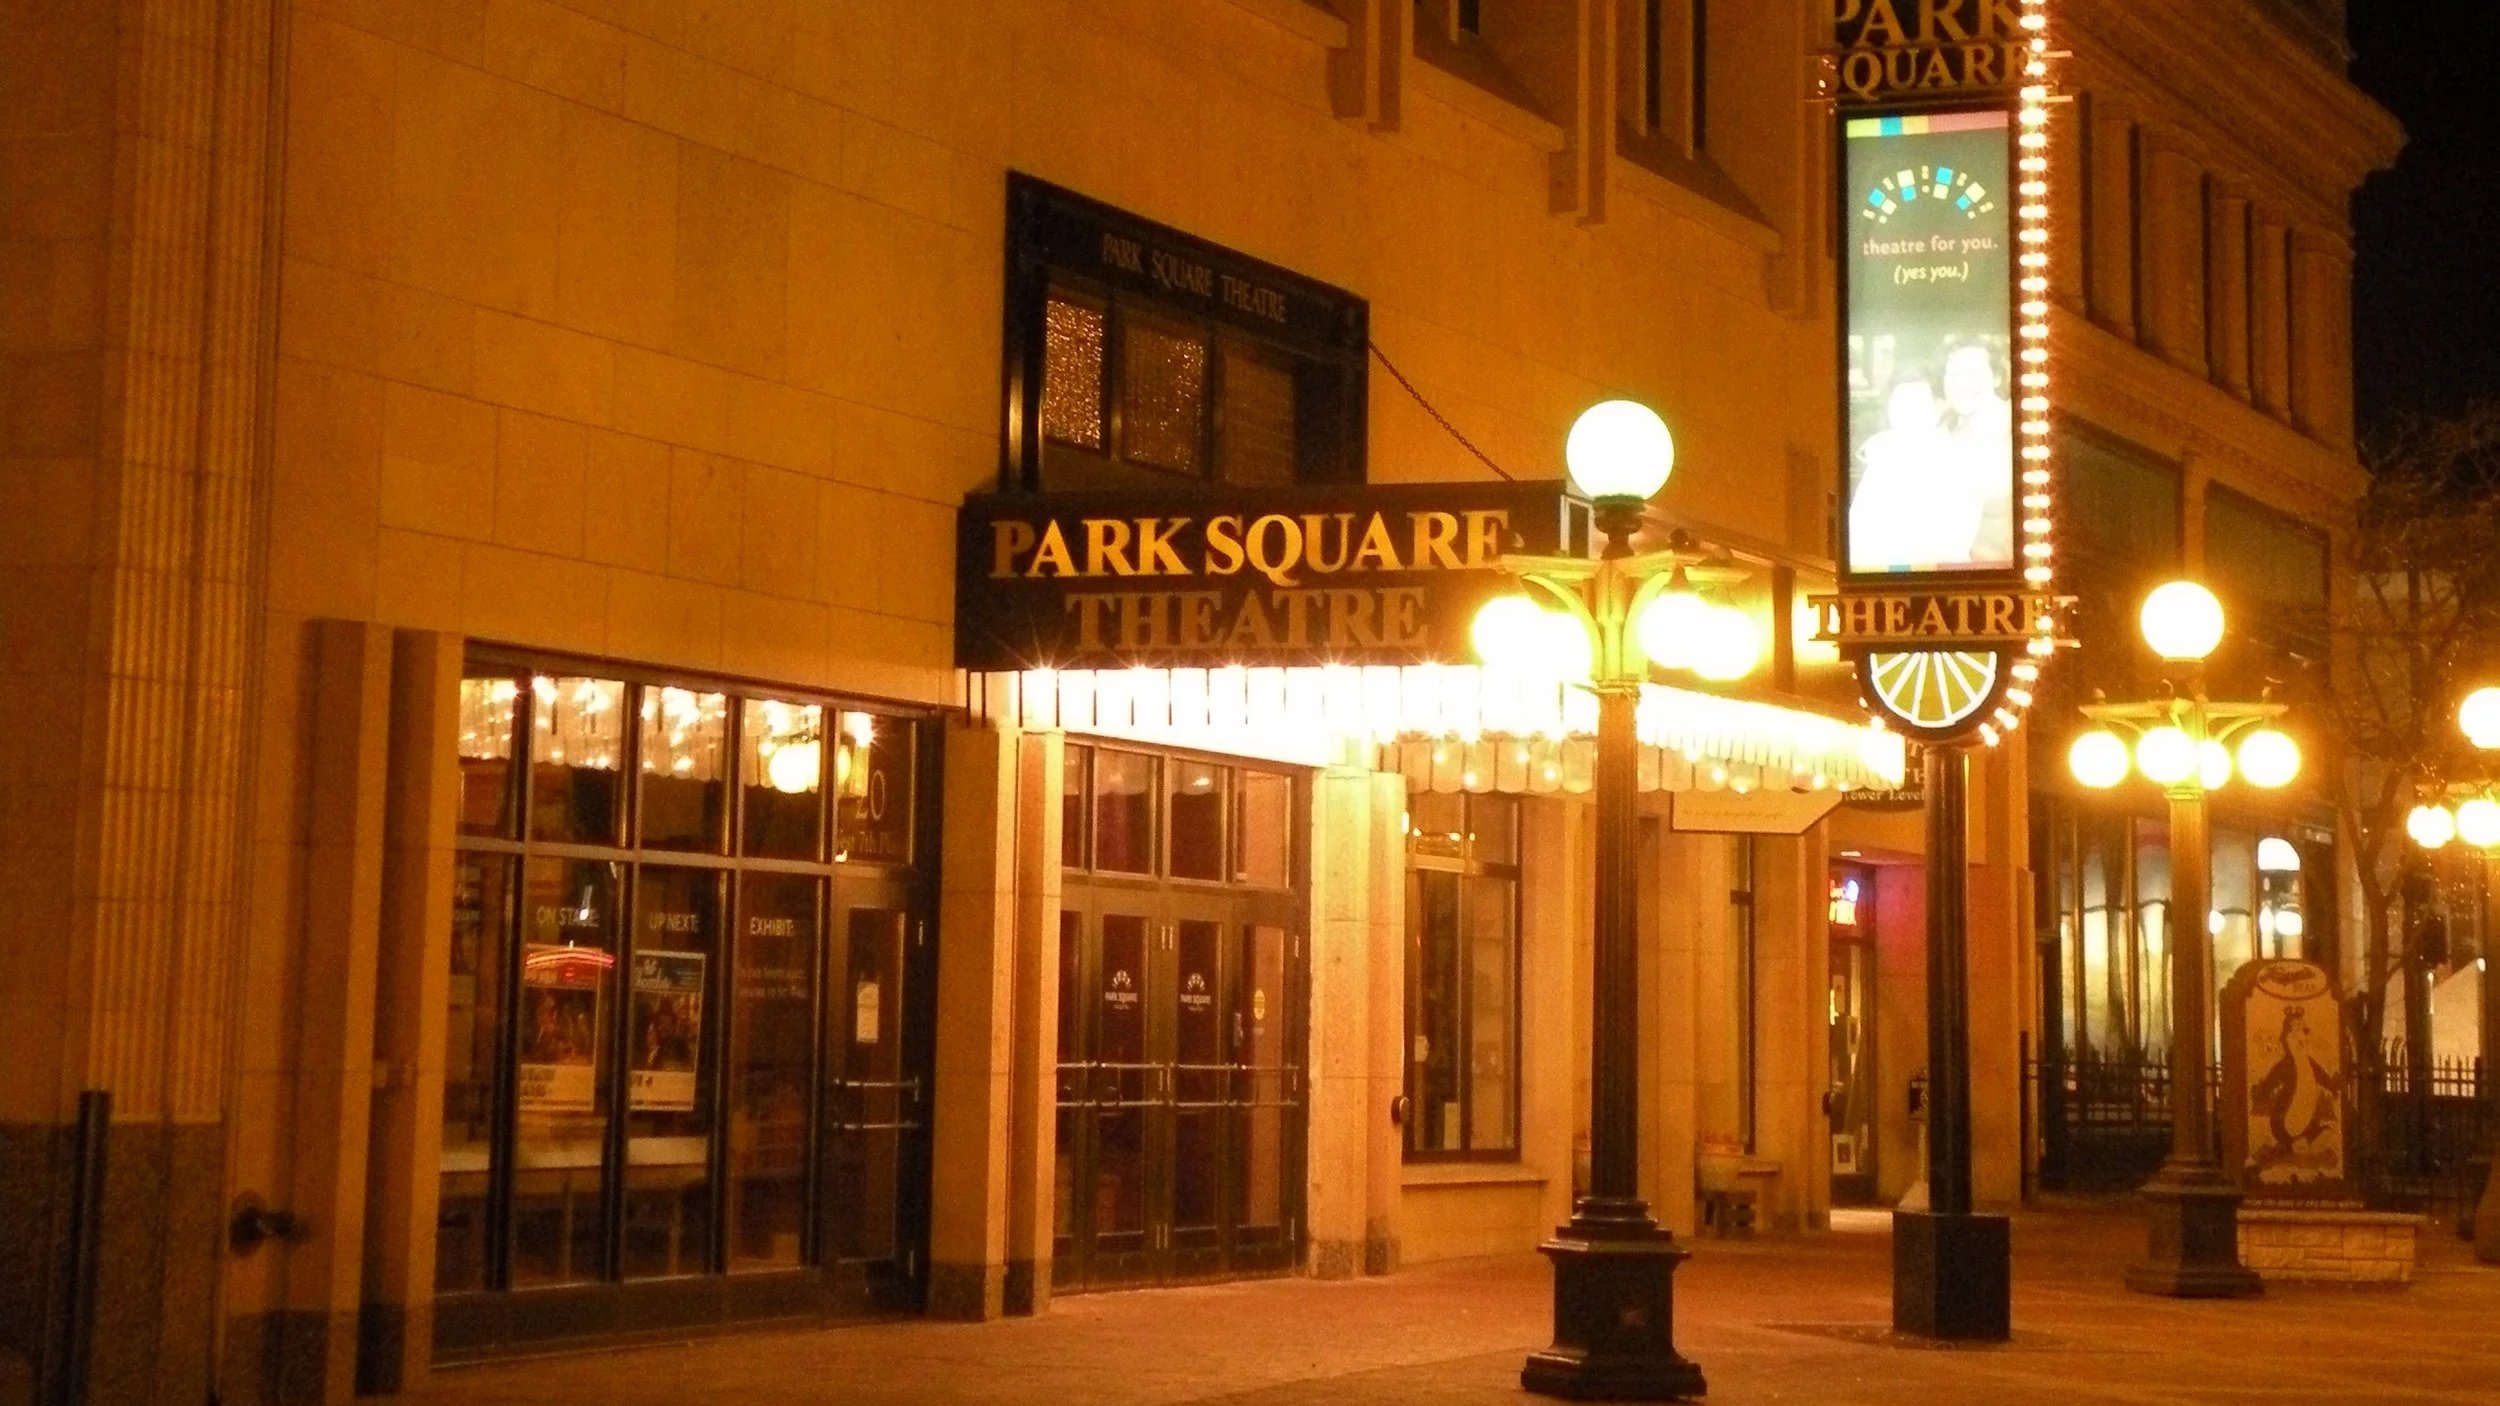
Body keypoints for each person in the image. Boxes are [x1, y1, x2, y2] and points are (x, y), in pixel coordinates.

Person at [1849, 374, 1981, 571]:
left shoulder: (1958, 464)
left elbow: (1952, 545)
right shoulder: (1878, 456)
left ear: (1938, 408)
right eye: (1898, 402)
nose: (1906, 412)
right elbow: (1859, 539)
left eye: (1916, 403)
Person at [1940, 344, 2015, 566]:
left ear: (1996, 378)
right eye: (1954, 374)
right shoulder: (1942, 432)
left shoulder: (2017, 429)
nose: (1961, 384)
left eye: (1971, 372)